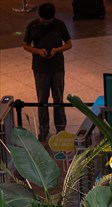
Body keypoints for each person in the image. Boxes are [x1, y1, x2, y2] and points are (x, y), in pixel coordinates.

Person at [22, 3, 72, 141]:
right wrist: (38, 51)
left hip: (57, 68)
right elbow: (25, 45)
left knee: (59, 99)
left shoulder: (60, 24)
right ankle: (43, 130)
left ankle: (61, 129)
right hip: (40, 69)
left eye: (49, 21)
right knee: (42, 100)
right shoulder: (32, 26)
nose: (47, 23)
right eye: (44, 21)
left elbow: (69, 44)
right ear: (39, 16)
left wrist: (57, 50)